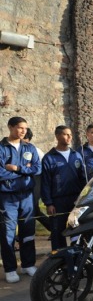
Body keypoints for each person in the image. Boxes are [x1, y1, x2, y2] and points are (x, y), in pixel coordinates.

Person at [0, 117, 41, 283]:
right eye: (19, 127)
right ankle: (10, 268)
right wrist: (25, 172)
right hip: (7, 197)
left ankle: (28, 264)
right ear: (10, 127)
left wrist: (17, 168)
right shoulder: (1, 148)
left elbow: (37, 169)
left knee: (28, 232)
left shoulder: (29, 147)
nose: (23, 131)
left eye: (25, 128)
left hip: (27, 196)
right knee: (8, 234)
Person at [41, 126, 86, 250]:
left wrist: (84, 198)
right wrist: (48, 203)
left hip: (76, 200)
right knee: (57, 233)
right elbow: (45, 183)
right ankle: (58, 262)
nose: (69, 137)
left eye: (70, 134)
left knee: (77, 231)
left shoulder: (76, 155)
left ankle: (77, 258)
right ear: (57, 136)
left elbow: (83, 178)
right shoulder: (49, 158)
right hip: (58, 201)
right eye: (66, 134)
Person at [23, 128, 51, 232]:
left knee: (34, 209)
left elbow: (41, 168)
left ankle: (52, 228)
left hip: (36, 180)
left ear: (28, 139)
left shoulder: (35, 150)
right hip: (24, 182)